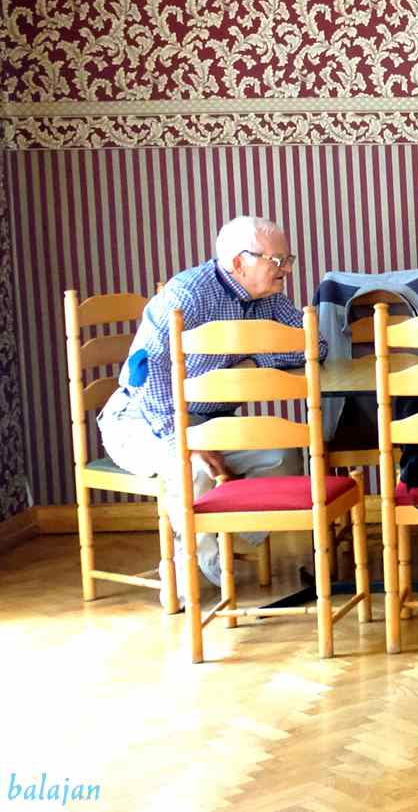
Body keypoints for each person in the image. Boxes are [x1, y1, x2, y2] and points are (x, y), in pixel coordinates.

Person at [98, 216, 320, 593]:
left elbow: (315, 344)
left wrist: (254, 361)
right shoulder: (188, 294)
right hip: (142, 420)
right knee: (194, 467)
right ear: (239, 262)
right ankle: (190, 573)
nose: (287, 269)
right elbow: (143, 370)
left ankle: (219, 545)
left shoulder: (269, 298)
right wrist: (182, 438)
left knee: (282, 457)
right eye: (277, 260)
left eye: (288, 259)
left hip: (209, 421)